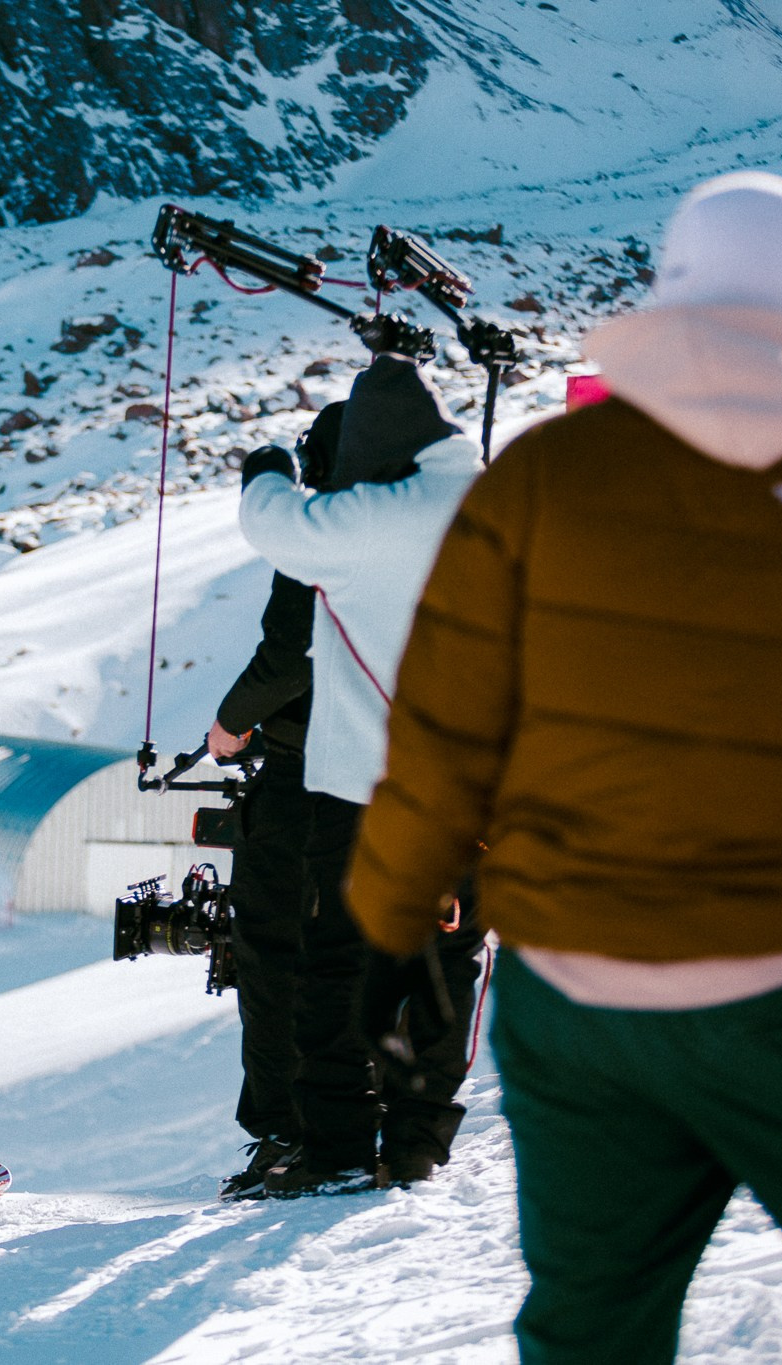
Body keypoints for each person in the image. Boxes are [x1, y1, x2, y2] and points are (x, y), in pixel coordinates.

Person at [345, 172, 782, 1365]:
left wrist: (387, 921)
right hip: (781, 998)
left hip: (568, 1004)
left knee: (589, 1331)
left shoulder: (537, 479)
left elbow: (440, 732)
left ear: (668, 280)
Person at [236, 353, 484, 1195]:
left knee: (337, 964)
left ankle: (337, 1147)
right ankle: (416, 1142)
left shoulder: (365, 518)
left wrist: (269, 463)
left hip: (357, 790)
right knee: (446, 967)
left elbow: (270, 519)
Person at [203, 420, 324, 1200]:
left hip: (302, 779)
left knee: (273, 954)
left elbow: (288, 656)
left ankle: (284, 1132)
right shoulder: (426, 524)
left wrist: (230, 723)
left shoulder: (320, 536)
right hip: (394, 774)